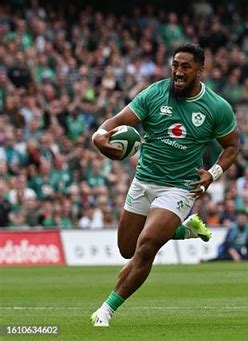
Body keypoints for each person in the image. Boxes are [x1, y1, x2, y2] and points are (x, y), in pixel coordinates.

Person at [90, 43, 239, 327]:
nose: (178, 72)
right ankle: (186, 229)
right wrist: (100, 134)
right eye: (175, 65)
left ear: (200, 70)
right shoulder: (154, 93)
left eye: (186, 66)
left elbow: (232, 147)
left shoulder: (217, 107)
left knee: (146, 247)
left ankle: (106, 310)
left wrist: (214, 172)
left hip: (180, 187)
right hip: (144, 180)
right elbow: (119, 120)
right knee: (127, 249)